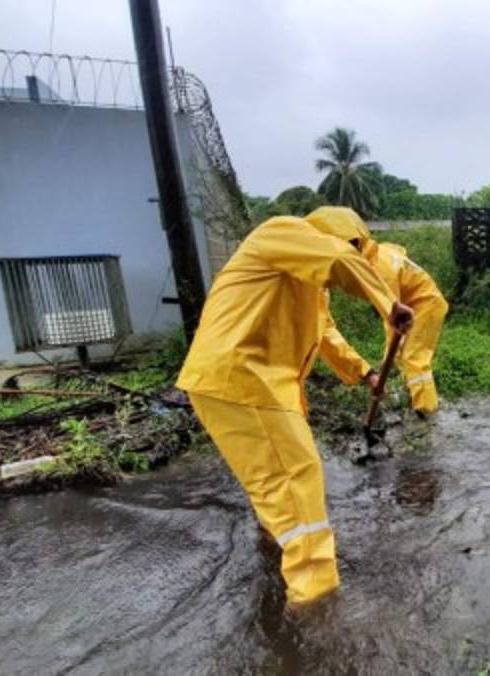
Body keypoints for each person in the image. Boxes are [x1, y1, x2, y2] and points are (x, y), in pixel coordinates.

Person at [176, 214, 413, 604]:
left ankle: (275, 547)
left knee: (274, 482)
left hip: (240, 384)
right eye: (354, 247)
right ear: (335, 236)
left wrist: (365, 372)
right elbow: (337, 257)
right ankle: (315, 603)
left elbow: (326, 336)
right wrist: (388, 303)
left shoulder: (308, 283)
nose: (354, 255)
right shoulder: (283, 231)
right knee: (298, 478)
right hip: (244, 378)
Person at [305, 206, 449, 415]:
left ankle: (427, 412)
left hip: (426, 305)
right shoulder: (374, 254)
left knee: (413, 358)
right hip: (409, 305)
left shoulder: (381, 271)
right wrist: (384, 361)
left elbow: (393, 316)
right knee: (400, 356)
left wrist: (387, 358)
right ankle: (410, 400)